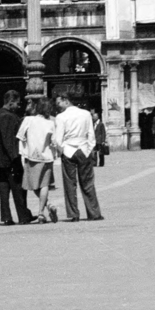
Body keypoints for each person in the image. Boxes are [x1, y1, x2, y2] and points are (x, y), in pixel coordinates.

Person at [54, 86, 104, 221]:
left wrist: (61, 151)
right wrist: (90, 149)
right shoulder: (85, 114)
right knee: (87, 183)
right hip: (83, 149)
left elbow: (58, 139)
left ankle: (73, 214)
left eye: (59, 102)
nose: (58, 106)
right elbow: (90, 134)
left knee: (70, 184)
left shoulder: (61, 117)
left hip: (69, 150)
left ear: (65, 100)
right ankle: (94, 213)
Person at [0, 89, 31, 226]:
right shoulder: (8, 117)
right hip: (9, 159)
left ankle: (6, 217)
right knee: (18, 189)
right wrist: (15, 158)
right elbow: (8, 140)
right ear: (11, 103)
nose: (18, 106)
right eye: (17, 103)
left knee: (3, 190)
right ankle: (23, 216)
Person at [18, 96, 58, 222]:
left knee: (34, 186)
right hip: (47, 157)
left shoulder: (28, 120)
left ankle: (45, 207)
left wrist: (22, 152)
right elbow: (53, 142)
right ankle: (42, 210)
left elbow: (20, 136)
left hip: (32, 157)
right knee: (44, 184)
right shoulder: (51, 123)